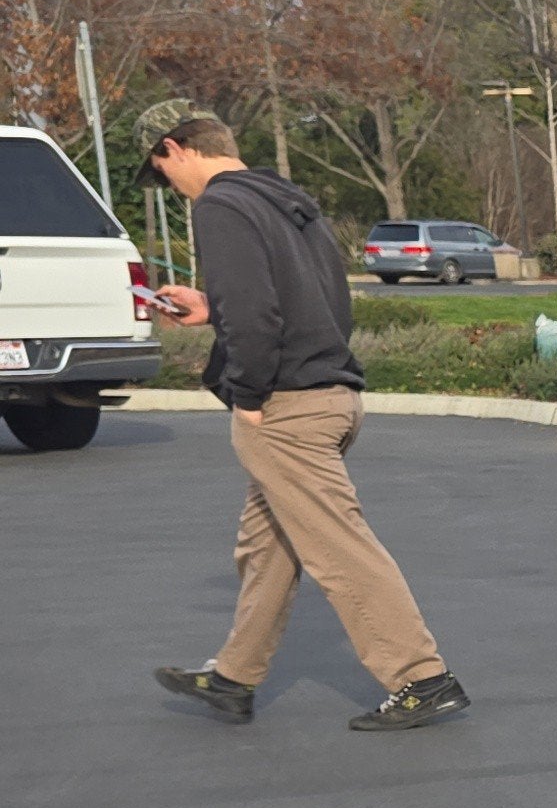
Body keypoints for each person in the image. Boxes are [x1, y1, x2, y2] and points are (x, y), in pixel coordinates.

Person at [141, 115, 468, 731]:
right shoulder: (288, 201)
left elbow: (258, 315)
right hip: (332, 394)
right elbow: (308, 300)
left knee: (340, 550)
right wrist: (214, 307)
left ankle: (422, 679)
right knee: (266, 546)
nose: (169, 184)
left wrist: (249, 393)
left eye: (162, 171)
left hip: (286, 407)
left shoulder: (220, 206)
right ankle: (234, 677)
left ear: (174, 148)